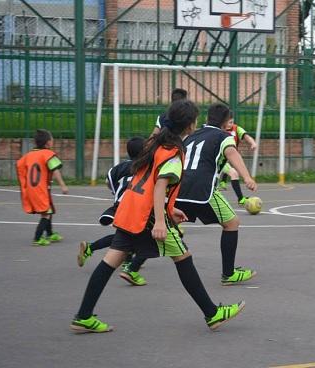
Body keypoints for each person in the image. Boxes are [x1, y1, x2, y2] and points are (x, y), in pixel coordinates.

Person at [70, 99, 245, 333]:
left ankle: (83, 316)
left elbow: (148, 180)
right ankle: (212, 314)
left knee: (111, 260)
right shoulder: (173, 152)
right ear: (191, 126)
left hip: (130, 207)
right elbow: (161, 183)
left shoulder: (154, 145)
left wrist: (171, 208)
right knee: (184, 258)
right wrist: (162, 221)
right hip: (148, 216)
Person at [176, 103, 258, 285]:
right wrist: (247, 177)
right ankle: (228, 274)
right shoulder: (224, 136)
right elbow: (231, 153)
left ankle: (132, 265)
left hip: (179, 187)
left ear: (206, 119)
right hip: (203, 190)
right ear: (227, 122)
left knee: (166, 228)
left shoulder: (192, 136)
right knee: (232, 223)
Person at [77, 137, 150, 286]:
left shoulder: (118, 168)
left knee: (125, 236)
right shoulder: (147, 167)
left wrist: (117, 192)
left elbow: (108, 183)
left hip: (119, 206)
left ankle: (93, 249)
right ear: (145, 152)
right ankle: (131, 268)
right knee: (144, 237)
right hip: (135, 206)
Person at [16, 129, 68, 246]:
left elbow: (20, 165)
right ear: (48, 143)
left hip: (31, 188)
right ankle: (37, 238)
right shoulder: (48, 154)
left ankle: (49, 234)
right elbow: (55, 170)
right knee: (46, 213)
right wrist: (63, 186)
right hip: (40, 189)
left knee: (48, 210)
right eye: (52, 139)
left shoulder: (29, 155)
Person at [218, 110, 258, 205]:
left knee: (233, 172)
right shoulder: (219, 130)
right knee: (233, 173)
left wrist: (253, 143)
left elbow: (247, 137)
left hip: (226, 159)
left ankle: (240, 199)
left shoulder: (236, 129)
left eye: (231, 122)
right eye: (228, 122)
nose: (230, 124)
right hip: (217, 160)